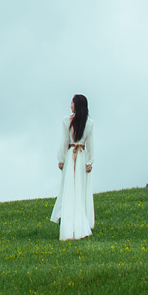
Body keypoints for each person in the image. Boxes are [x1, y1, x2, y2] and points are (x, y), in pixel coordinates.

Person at [50, 94, 94, 241]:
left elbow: (64, 141)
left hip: (71, 156)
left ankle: (67, 220)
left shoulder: (66, 120)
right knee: (79, 189)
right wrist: (89, 162)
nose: (70, 105)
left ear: (76, 105)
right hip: (81, 156)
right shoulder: (89, 122)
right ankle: (79, 222)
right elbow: (90, 144)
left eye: (72, 103)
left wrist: (61, 159)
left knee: (68, 188)